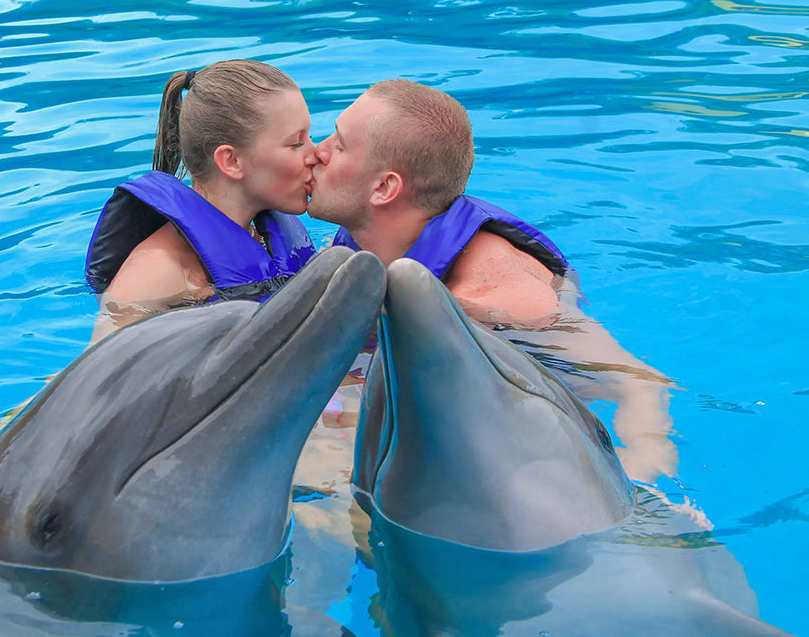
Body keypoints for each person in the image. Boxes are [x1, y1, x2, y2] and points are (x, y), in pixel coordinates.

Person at [306, 79, 684, 492]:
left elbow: (638, 383)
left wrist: (639, 476)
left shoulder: (497, 298)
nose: (316, 152)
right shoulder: (367, 239)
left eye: (339, 145)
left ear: (384, 188)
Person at [85, 59, 318, 341]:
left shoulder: (265, 238)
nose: (315, 155)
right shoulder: (157, 273)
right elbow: (104, 372)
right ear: (231, 161)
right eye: (296, 143)